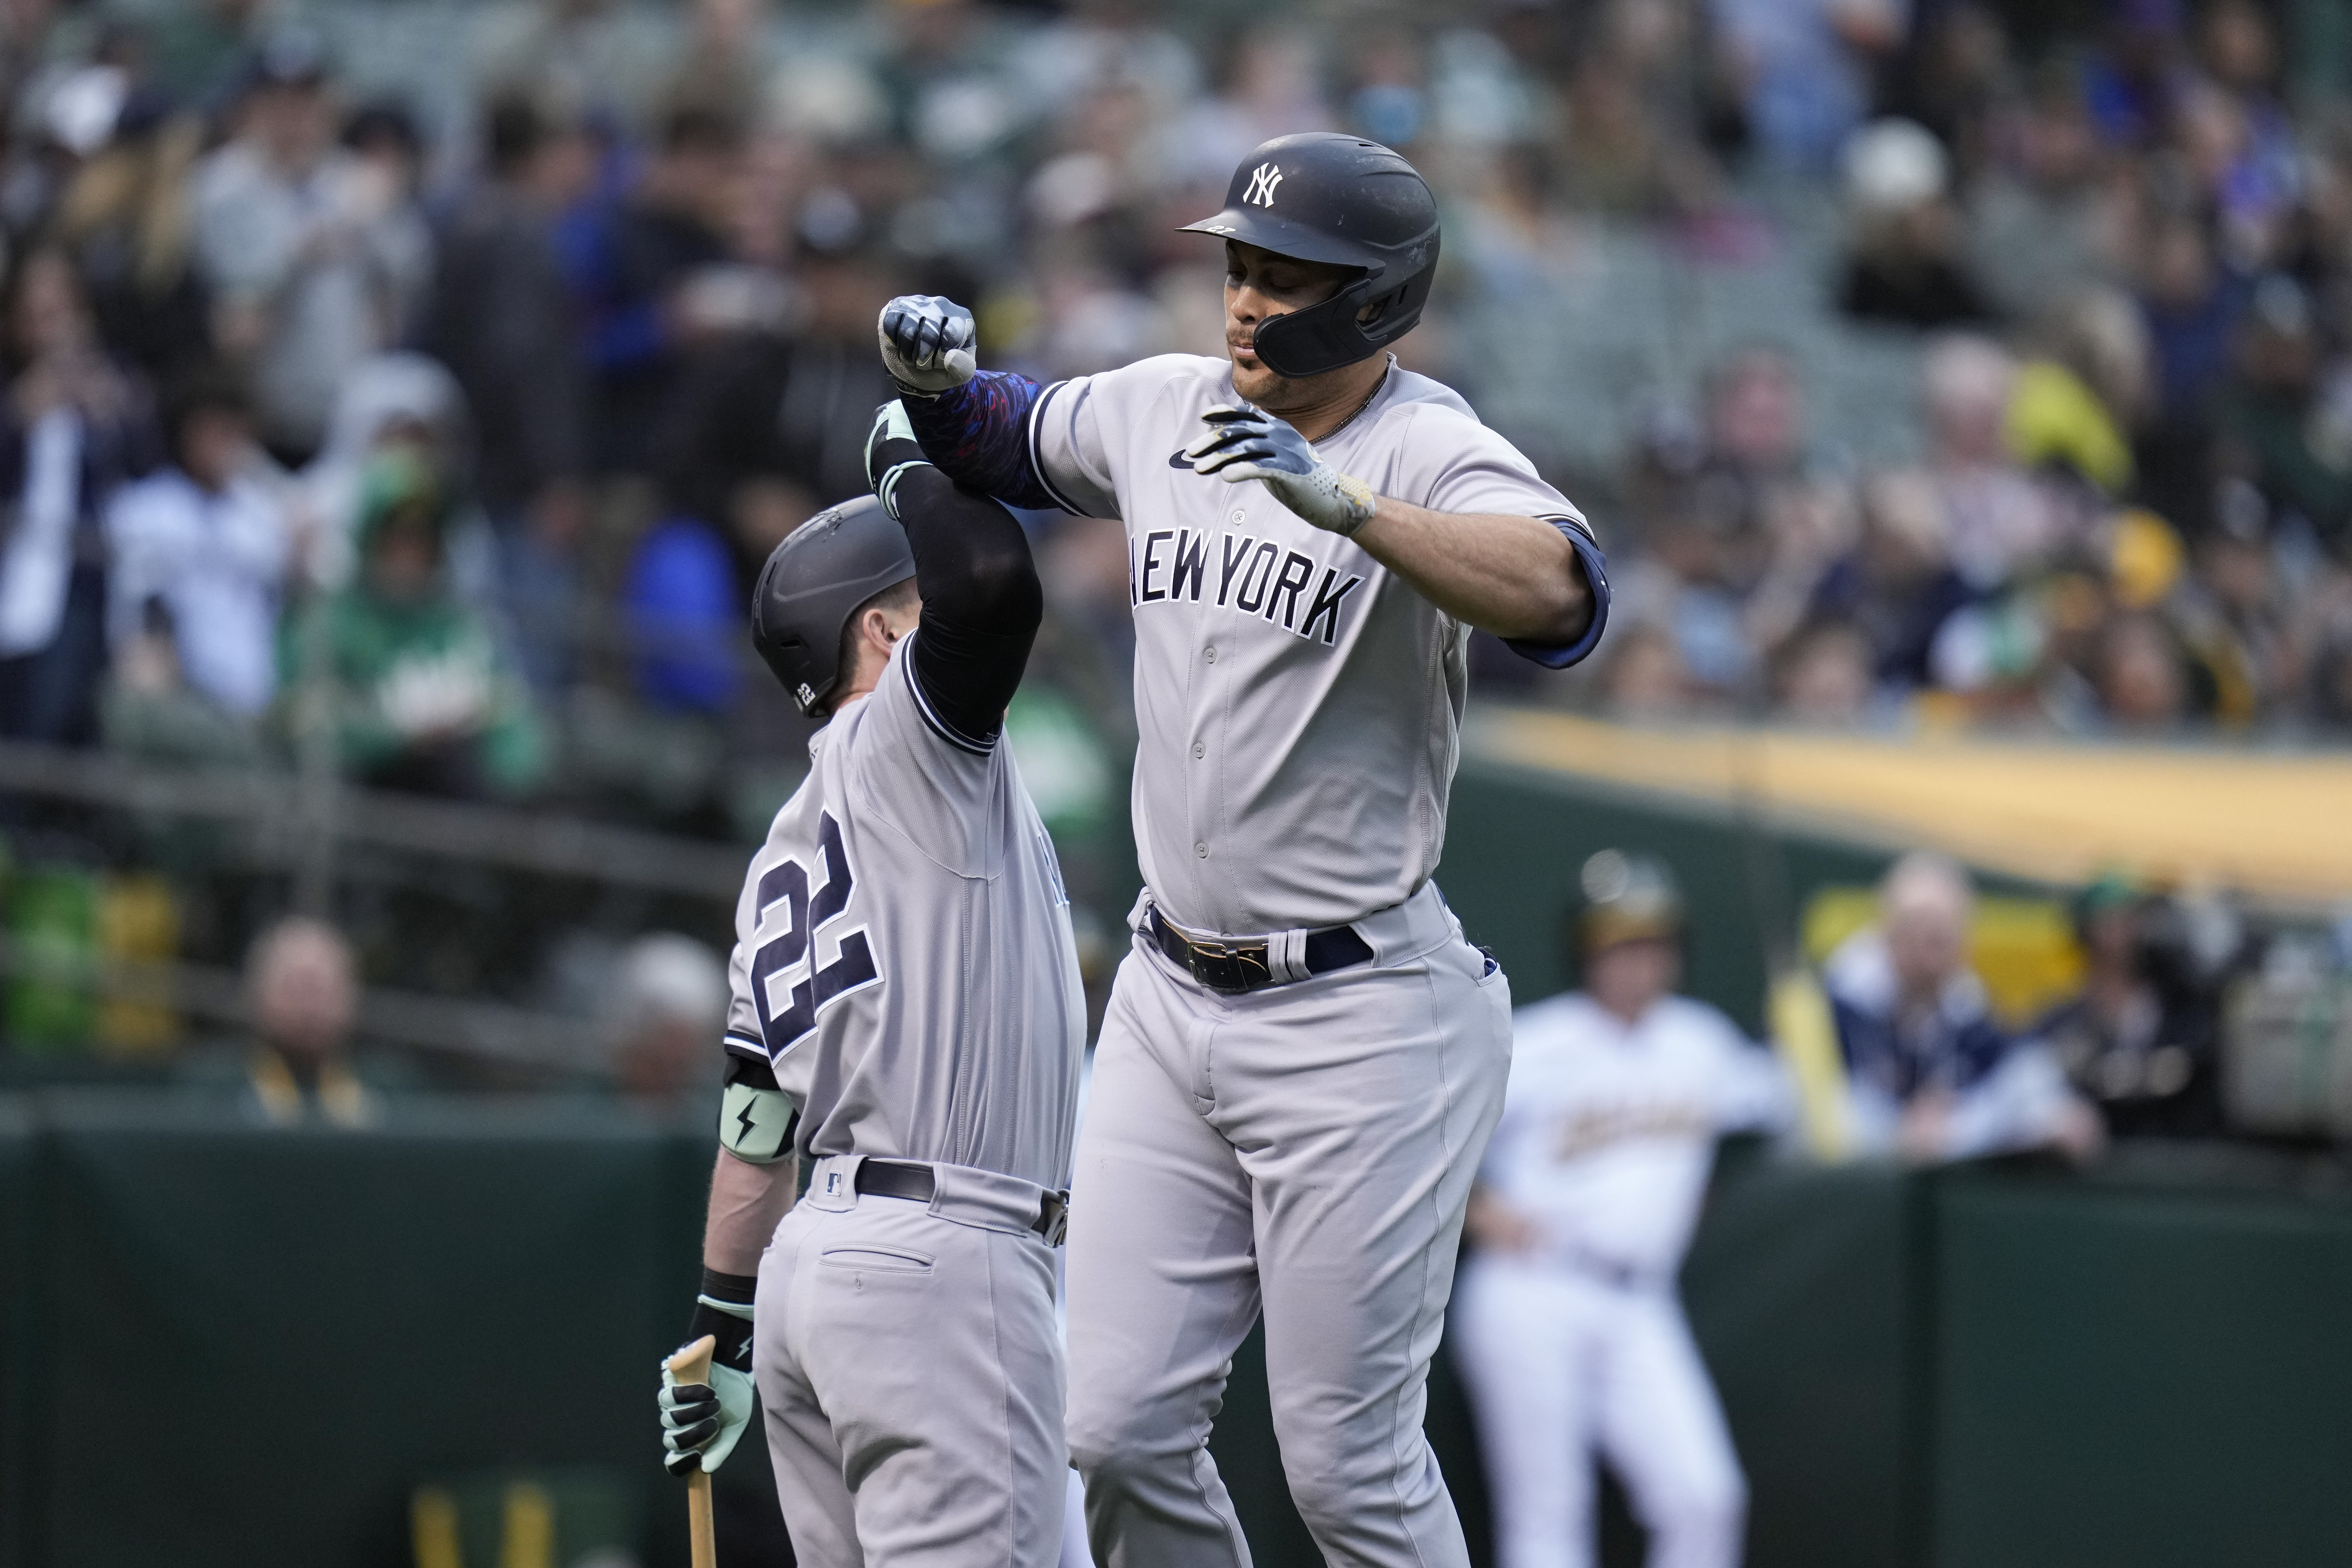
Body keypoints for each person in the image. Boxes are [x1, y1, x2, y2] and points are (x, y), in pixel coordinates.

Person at [876, 132, 1609, 1568]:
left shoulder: (1423, 443)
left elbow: (1562, 591)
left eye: (1286, 279)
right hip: (1166, 994)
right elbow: (1004, 437)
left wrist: (1351, 508)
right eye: (1239, 268)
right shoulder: (1167, 403)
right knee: (1103, 1427)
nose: (1246, 303)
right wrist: (936, 389)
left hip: (1361, 1015)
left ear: (1373, 302)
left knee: (1345, 1470)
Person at [654, 408, 1086, 1568]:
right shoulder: (913, 740)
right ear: (886, 635)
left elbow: (755, 1133)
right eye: (914, 593)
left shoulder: (782, 854)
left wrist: (726, 1326)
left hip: (814, 1277)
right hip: (941, 1261)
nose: (936, 602)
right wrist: (910, 463)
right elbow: (993, 579)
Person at [1453, 852, 1789, 1568]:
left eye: (1651, 942)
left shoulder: (1700, 1043)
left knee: (1704, 1497)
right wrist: (1480, 1212)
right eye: (1619, 942)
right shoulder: (1539, 1041)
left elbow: (1796, 1105)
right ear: (1586, 950)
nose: (1637, 960)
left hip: (1640, 1303)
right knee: (1547, 1520)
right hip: (1533, 1288)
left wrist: (1810, 1024)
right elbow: (1429, 1138)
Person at [1824, 851, 2101, 1162]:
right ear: (1891, 933)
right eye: (1922, 929)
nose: (1935, 951)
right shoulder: (1833, 1011)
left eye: (1947, 934)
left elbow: (2021, 1083)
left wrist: (2057, 1115)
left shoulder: (1971, 1017)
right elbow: (1806, 1117)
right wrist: (1896, 1135)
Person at [103, 369, 289, 721]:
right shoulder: (144, 508)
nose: (222, 441)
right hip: (178, 685)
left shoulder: (263, 515)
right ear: (186, 431)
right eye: (212, 428)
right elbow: (142, 604)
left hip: (253, 691)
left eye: (232, 430)